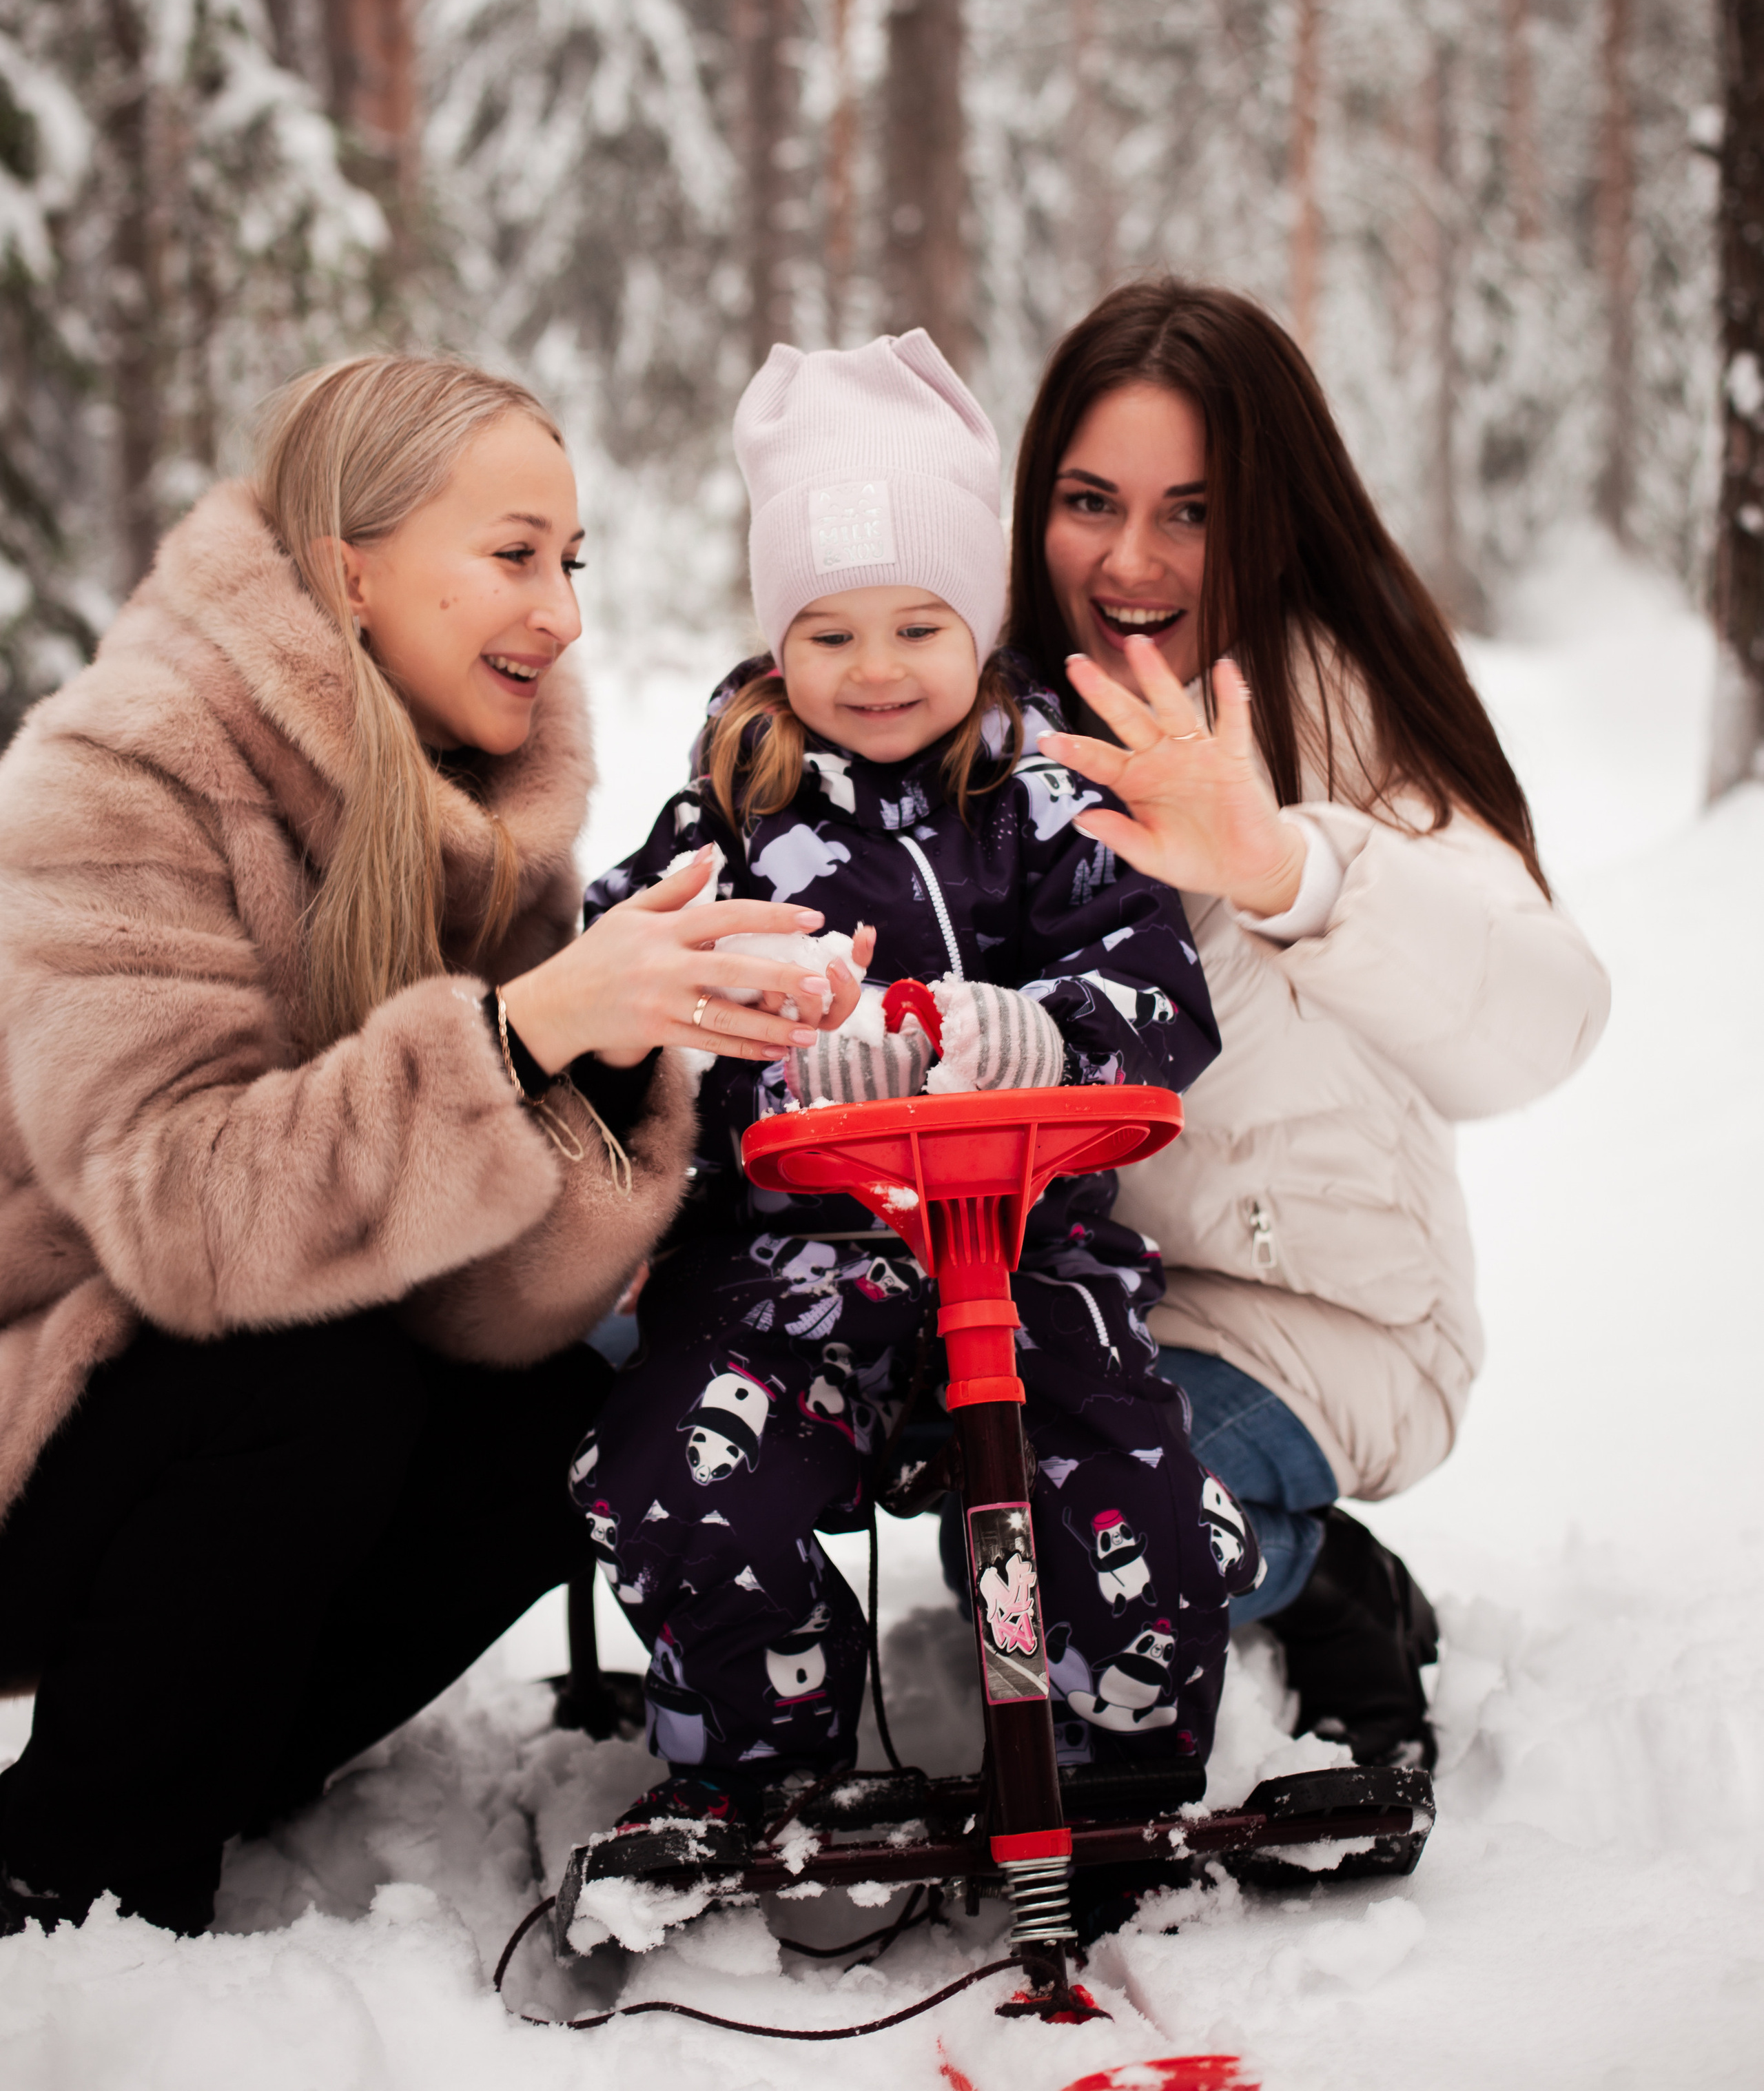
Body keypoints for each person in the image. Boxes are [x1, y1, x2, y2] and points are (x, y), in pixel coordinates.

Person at [0, 354, 846, 1938]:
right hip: (34, 1413)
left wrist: (602, 1070)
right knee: (309, 1379)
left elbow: (479, 1312)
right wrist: (516, 1037)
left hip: (210, 1425)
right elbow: (182, 1216)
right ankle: (72, 1862)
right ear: (353, 571)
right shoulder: (118, 776)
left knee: (551, 1428)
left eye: (572, 563)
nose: (563, 613)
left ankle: (215, 1761)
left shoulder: (480, 820)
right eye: (516, 556)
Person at [566, 331, 1260, 1851]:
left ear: (979, 616)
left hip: (1024, 1263)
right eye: (825, 635)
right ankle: (754, 1771)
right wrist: (761, 1034)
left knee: (1134, 1513)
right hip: (782, 1273)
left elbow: (1163, 996)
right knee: (680, 1480)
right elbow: (618, 983)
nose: (872, 672)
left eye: (914, 627)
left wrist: (1035, 1029)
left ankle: (1122, 1765)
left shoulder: (1051, 798)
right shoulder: (732, 813)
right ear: (771, 646)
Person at [1009, 280, 1612, 1766]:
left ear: (1266, 517)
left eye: (1188, 513)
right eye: (1089, 502)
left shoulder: (1342, 719)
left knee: (1086, 1553)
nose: (1129, 561)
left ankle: (1323, 1578)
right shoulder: (993, 720)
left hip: (1314, 1325)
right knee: (1002, 1538)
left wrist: (1288, 868)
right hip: (1072, 1310)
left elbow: (1541, 1021)